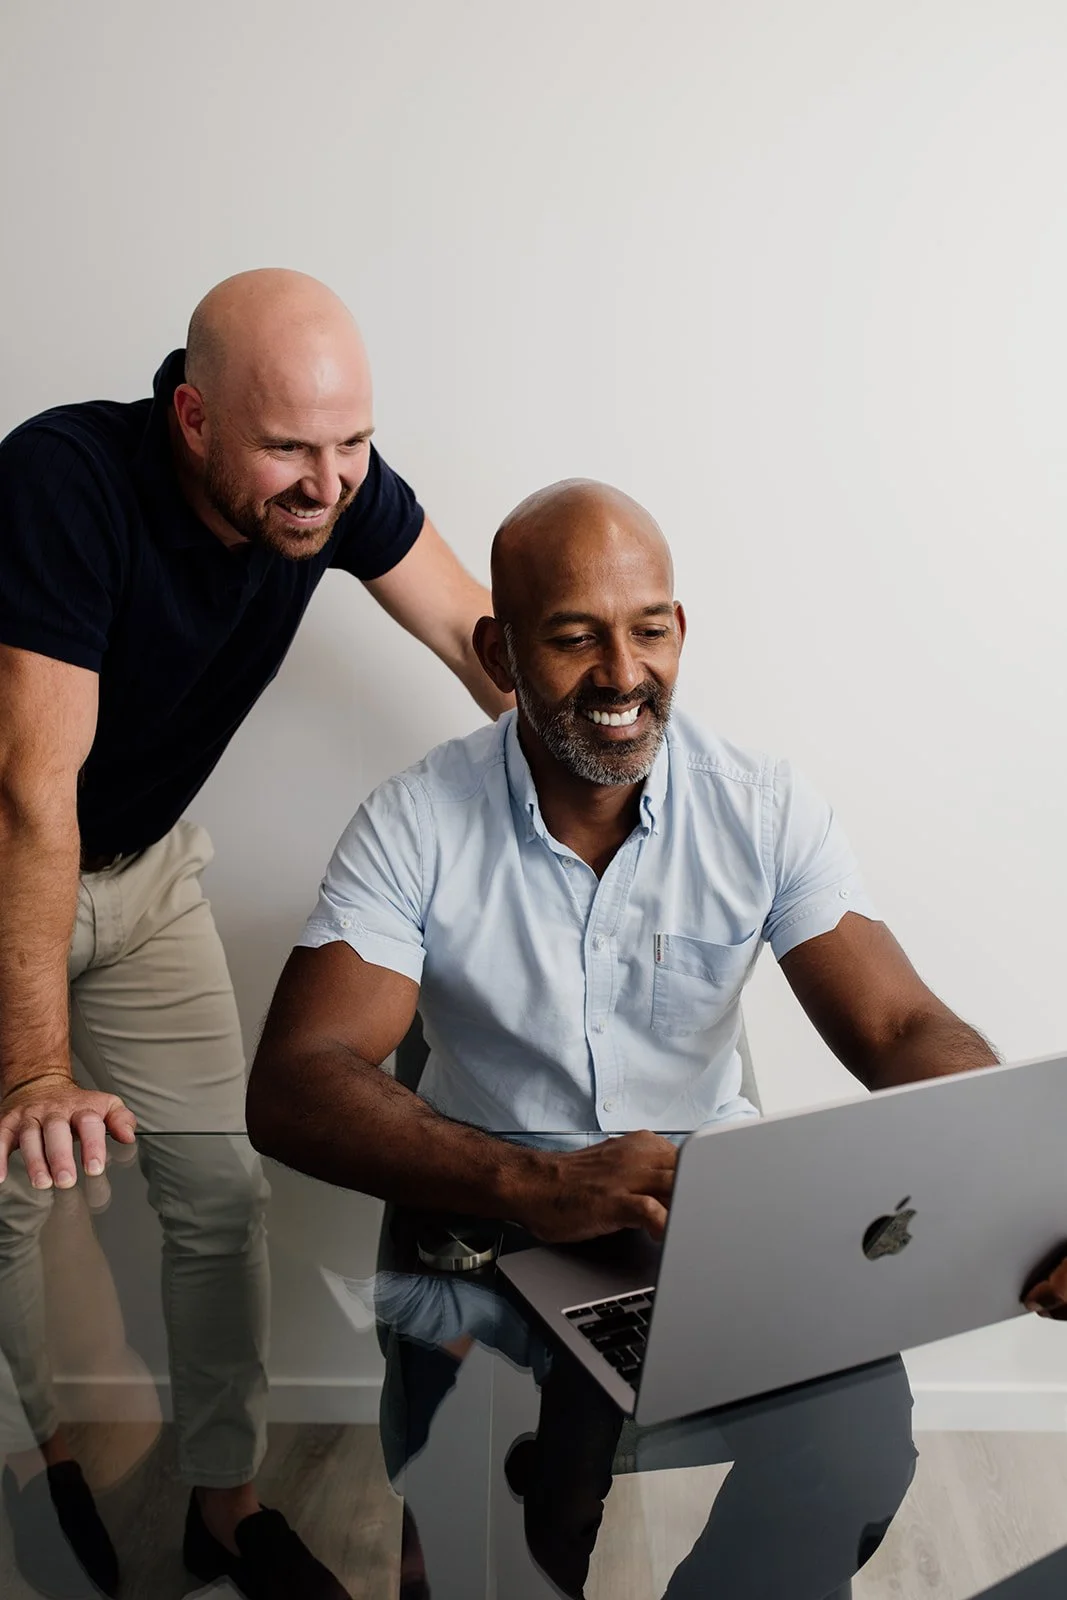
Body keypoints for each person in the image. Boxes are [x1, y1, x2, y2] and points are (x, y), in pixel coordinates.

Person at [247, 477, 1067, 1315]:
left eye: (647, 632)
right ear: (499, 654)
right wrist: (538, 1181)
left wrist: (1020, 1191)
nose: (622, 674)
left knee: (854, 1447)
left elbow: (897, 1026)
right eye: (574, 638)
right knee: (475, 1443)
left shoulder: (763, 807)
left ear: (678, 631)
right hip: (491, 1222)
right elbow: (295, 1081)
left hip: (710, 1227)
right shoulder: (414, 822)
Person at [0, 269, 511, 1600]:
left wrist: (587, 723)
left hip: (147, 876)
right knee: (5, 1214)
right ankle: (35, 1472)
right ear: (192, 417)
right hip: (12, 875)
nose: (326, 482)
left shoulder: (334, 483)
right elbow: (29, 804)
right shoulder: (62, 482)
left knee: (220, 1198)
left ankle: (222, 1506)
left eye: (348, 446)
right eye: (289, 448)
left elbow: (471, 632)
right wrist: (35, 1072)